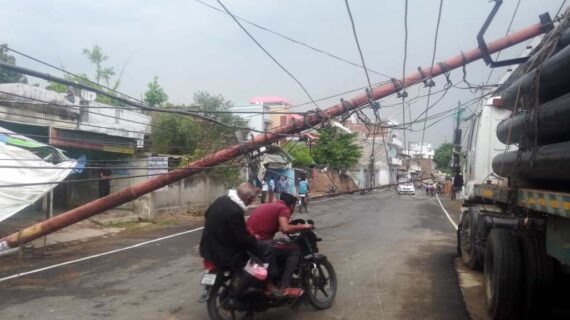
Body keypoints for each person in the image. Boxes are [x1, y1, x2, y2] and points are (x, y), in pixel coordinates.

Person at [246, 192, 313, 297]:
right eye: (293, 207)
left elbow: (281, 227)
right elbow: (285, 228)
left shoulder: (267, 205)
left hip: (248, 240)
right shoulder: (283, 208)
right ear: (291, 205)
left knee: (280, 245)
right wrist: (303, 226)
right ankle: (285, 287)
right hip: (260, 243)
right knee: (294, 250)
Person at [199, 182, 268, 270]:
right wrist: (255, 241)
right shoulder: (235, 211)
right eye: (253, 199)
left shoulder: (221, 200)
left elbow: (207, 214)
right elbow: (242, 238)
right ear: (248, 198)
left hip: (207, 250)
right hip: (223, 255)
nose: (252, 201)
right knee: (261, 251)